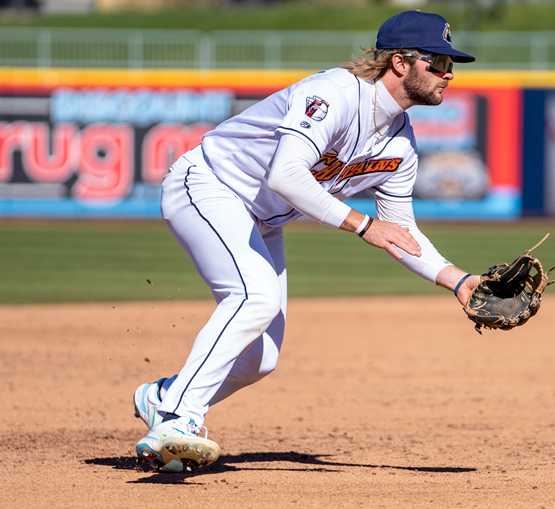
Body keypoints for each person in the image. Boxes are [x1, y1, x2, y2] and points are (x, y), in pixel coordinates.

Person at [132, 10, 482, 473]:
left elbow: (402, 230)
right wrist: (362, 223)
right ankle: (179, 420)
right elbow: (285, 175)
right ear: (401, 62)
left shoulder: (400, 144)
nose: (449, 72)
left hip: (261, 219)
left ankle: (163, 396)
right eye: (438, 61)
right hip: (209, 184)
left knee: (261, 360)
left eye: (450, 63)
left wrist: (458, 281)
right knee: (253, 297)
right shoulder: (334, 94)